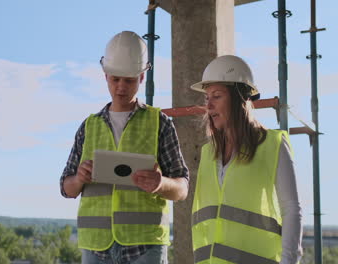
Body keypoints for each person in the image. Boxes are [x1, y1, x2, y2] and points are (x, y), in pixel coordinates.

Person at [60, 30, 189, 264]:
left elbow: (182, 188)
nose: (121, 87)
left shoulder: (159, 123)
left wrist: (161, 184)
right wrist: (79, 179)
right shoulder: (88, 127)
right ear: (105, 75)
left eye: (129, 80)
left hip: (145, 248)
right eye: (115, 79)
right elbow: (66, 188)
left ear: (141, 78)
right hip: (95, 248)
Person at [190, 55, 303, 264]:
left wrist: (290, 261)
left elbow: (291, 209)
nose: (209, 105)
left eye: (217, 96)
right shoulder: (208, 153)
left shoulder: (273, 144)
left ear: (239, 97)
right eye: (207, 98)